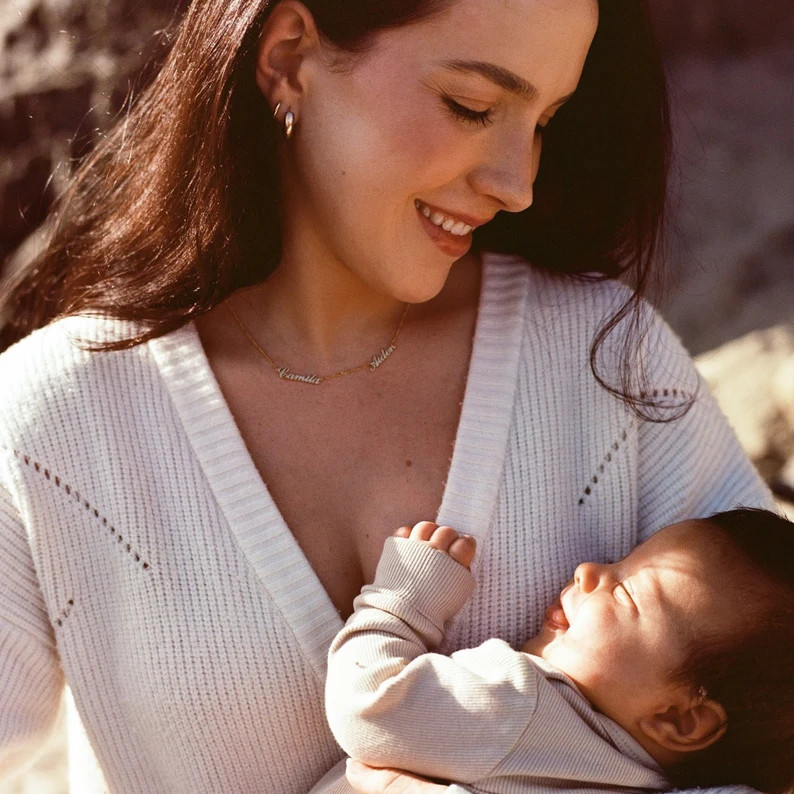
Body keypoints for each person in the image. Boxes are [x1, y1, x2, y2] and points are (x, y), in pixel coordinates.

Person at [0, 0, 777, 792]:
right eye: (472, 106)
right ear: (288, 57)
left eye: (546, 120)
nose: (518, 184)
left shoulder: (606, 358)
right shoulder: (53, 420)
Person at [316, 512, 794, 794]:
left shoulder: (524, 704)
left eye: (627, 593)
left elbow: (369, 706)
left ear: (679, 720)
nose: (589, 571)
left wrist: (401, 603)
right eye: (621, 558)